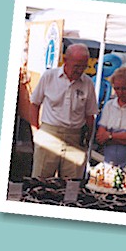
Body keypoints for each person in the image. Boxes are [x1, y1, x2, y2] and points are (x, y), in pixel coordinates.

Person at [30, 43, 98, 179]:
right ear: (66, 60)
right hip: (49, 133)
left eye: (83, 66)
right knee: (40, 180)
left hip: (75, 137)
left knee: (72, 186)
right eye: (76, 66)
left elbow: (90, 115)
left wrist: (87, 139)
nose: (79, 70)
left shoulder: (88, 83)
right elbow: (34, 103)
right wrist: (35, 132)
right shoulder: (49, 76)